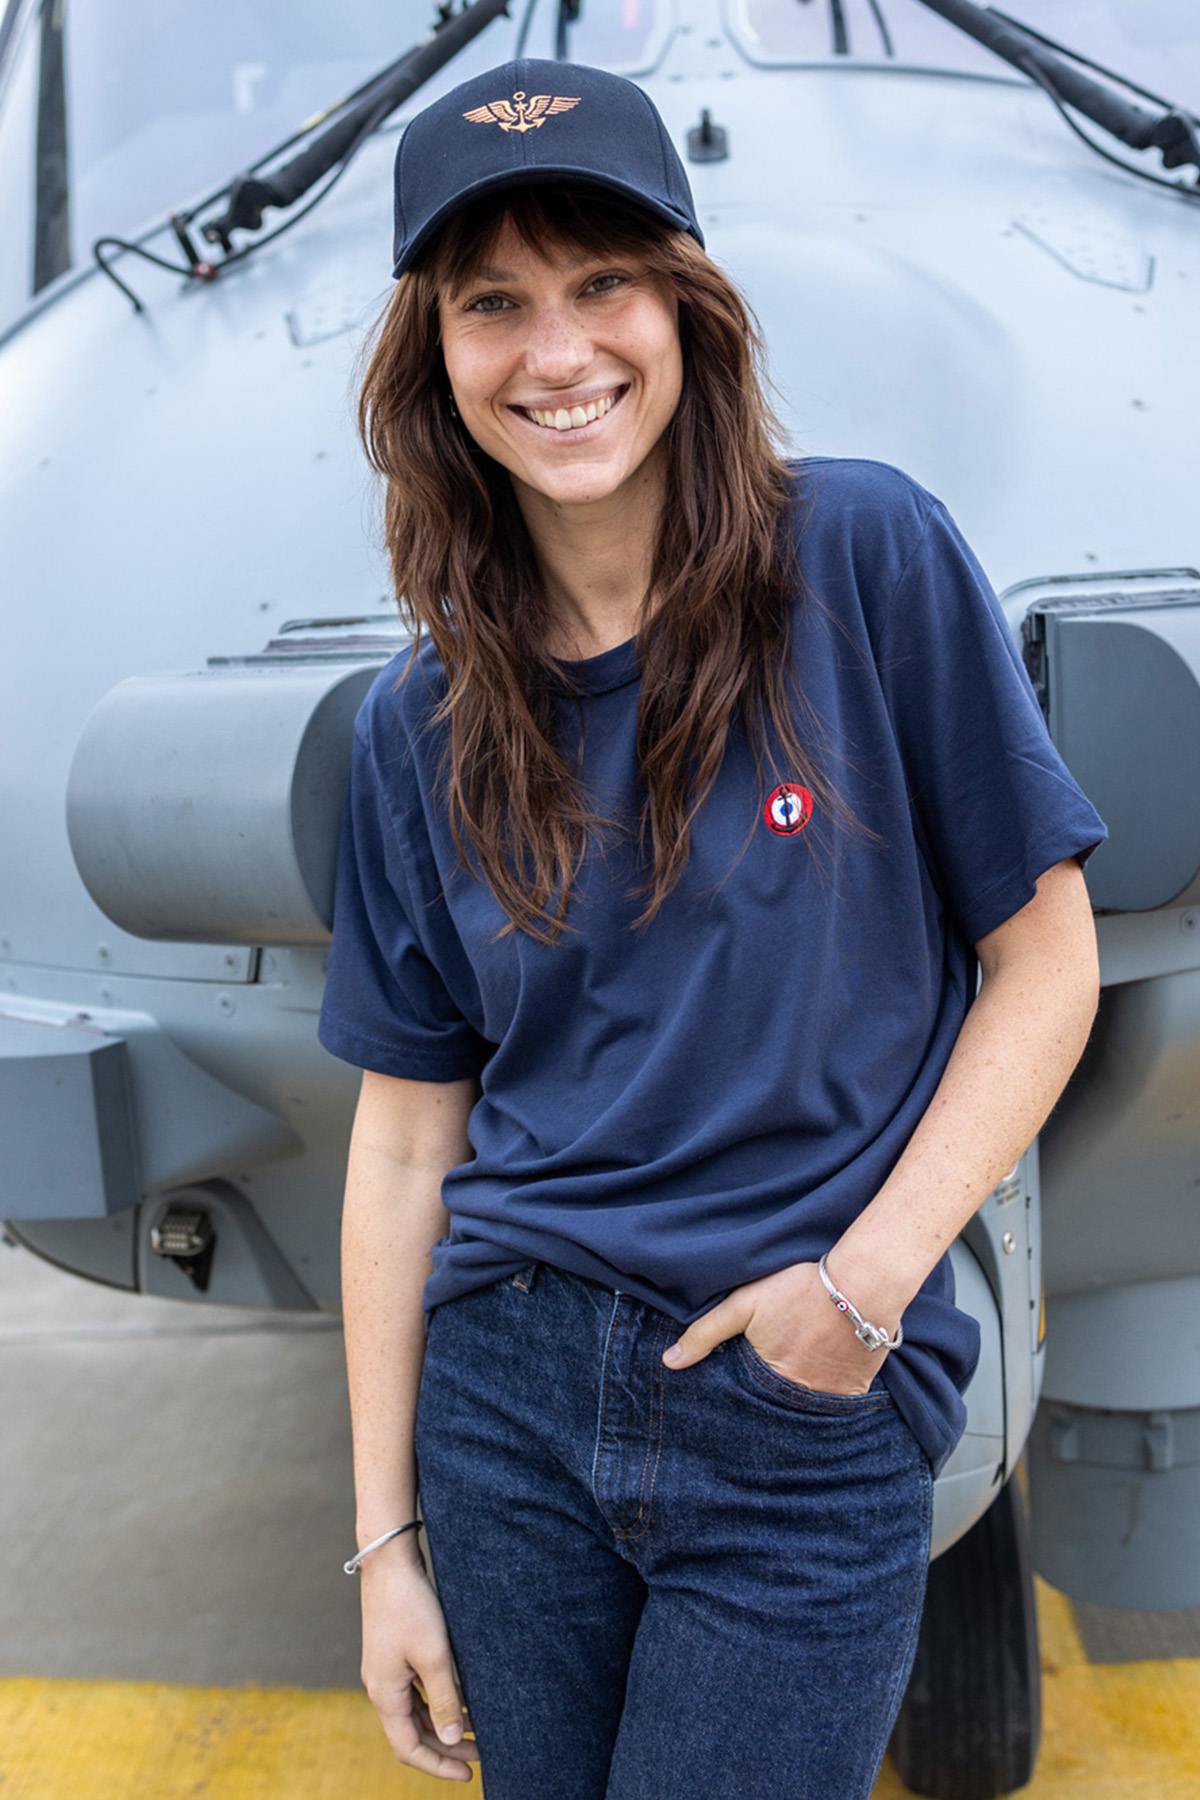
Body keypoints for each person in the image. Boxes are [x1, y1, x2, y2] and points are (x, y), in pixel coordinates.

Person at [317, 55, 1109, 1800]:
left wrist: (866, 1286)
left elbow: (1046, 963)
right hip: (508, 1399)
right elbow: (403, 1143)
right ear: (433, 357)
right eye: (493, 303)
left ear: (685, 304)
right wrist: (386, 1546)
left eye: (604, 282)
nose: (559, 351)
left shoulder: (867, 558)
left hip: (799, 1389)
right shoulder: (419, 721)